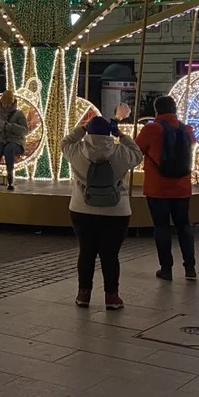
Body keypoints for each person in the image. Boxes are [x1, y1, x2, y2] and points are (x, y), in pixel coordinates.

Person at [63, 104, 141, 310]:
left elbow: (65, 142)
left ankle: (83, 295)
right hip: (116, 211)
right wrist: (121, 135)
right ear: (109, 133)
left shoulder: (76, 151)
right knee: (110, 254)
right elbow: (138, 153)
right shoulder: (120, 152)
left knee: (86, 252)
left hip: (81, 209)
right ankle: (112, 297)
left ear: (88, 132)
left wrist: (82, 128)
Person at [136, 96, 197, 282]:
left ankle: (166, 269)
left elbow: (137, 150)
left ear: (157, 110)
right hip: (182, 186)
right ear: (174, 109)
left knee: (161, 227)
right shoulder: (186, 129)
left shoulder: (152, 128)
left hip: (158, 187)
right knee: (184, 225)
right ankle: (190, 268)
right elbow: (192, 146)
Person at [0, 90, 28, 192]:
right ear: (1, 103)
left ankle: (10, 178)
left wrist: (9, 126)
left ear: (13, 103)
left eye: (8, 104)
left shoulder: (19, 114)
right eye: (4, 103)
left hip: (16, 142)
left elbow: (24, 131)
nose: (6, 106)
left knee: (9, 149)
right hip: (1, 140)